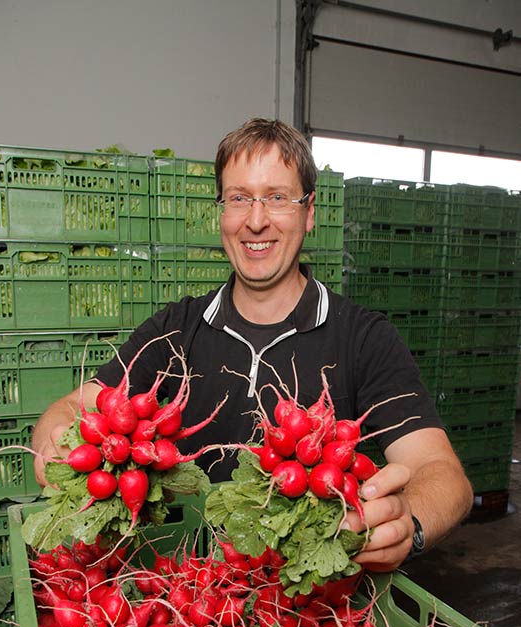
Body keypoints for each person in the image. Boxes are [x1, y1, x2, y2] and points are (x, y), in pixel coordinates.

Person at [31, 117, 473, 572]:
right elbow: (75, 408)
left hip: (311, 603)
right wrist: (55, 439)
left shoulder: (363, 337)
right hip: (193, 589)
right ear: (222, 212)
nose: (256, 221)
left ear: (310, 211)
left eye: (277, 198)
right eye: (239, 198)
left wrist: (408, 525)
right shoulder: (177, 326)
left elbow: (443, 476)